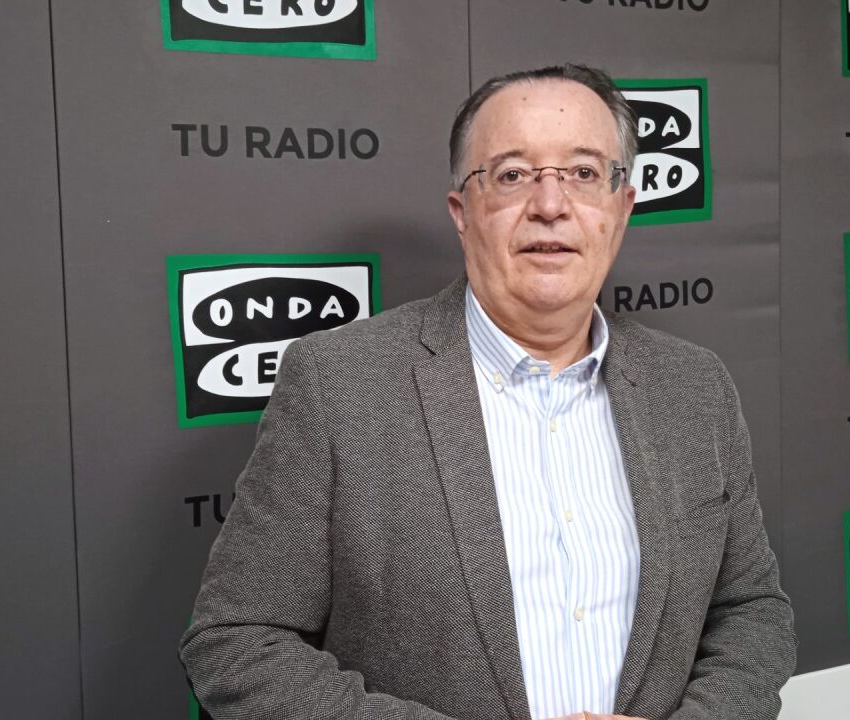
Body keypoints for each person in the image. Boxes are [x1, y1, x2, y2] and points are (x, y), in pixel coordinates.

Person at [180, 64, 796, 720]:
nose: (551, 204)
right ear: (463, 212)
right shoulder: (338, 386)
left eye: (584, 173)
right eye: (512, 175)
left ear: (622, 207)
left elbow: (752, 612)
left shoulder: (696, 388)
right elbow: (236, 643)